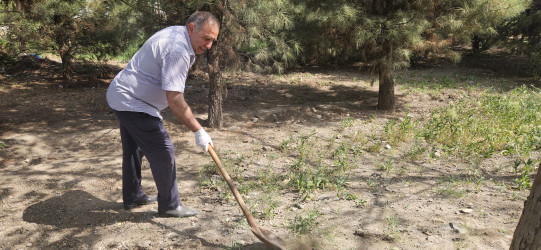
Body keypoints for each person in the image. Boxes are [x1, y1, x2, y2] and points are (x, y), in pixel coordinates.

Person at [106, 11, 219, 217]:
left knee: (135, 148)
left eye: (213, 41)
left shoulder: (179, 34)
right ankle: (170, 205)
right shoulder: (178, 49)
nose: (209, 46)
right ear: (192, 28)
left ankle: (133, 197)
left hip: (124, 94)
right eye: (206, 39)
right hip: (132, 101)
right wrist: (198, 130)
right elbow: (175, 99)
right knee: (164, 151)